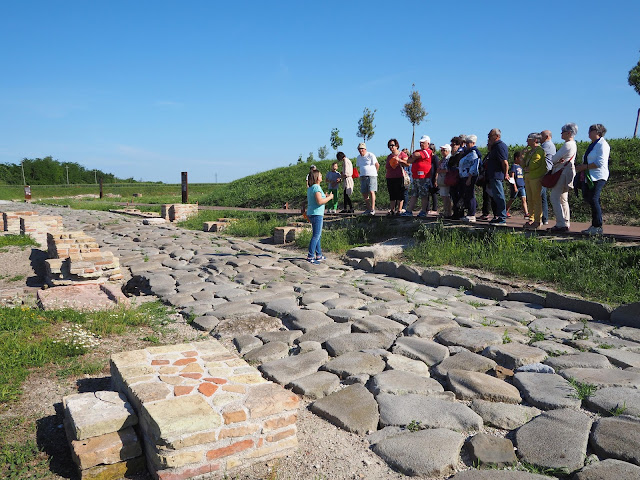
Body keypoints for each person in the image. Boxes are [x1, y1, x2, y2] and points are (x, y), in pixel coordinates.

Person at [576, 124, 610, 235]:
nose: (589, 132)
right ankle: (595, 224)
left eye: (592, 130)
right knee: (590, 199)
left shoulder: (602, 145)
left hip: (598, 176)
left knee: (594, 199)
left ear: (598, 132)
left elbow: (600, 163)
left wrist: (584, 167)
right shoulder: (593, 145)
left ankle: (598, 226)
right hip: (590, 176)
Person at [548, 123, 578, 233]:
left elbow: (553, 159)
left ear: (569, 133)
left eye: (563, 132)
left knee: (554, 197)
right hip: (568, 173)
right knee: (563, 199)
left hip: (561, 173)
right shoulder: (573, 144)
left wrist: (557, 161)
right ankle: (566, 222)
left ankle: (560, 223)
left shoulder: (567, 145)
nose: (561, 134)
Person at [306, 168, 333, 264]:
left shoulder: (310, 188)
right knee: (316, 236)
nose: (322, 176)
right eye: (320, 175)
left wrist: (324, 196)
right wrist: (329, 198)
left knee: (318, 235)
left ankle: (319, 254)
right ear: (317, 178)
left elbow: (317, 199)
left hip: (311, 213)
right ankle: (310, 256)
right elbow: (319, 201)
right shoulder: (317, 187)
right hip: (316, 214)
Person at [402, 135, 433, 217]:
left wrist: (415, 156)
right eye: (420, 142)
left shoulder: (428, 151)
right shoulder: (418, 151)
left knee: (424, 195)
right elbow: (409, 160)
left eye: (423, 142)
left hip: (424, 177)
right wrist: (415, 156)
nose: (421, 144)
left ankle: (423, 211)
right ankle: (409, 211)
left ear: (428, 143)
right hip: (415, 177)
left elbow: (416, 155)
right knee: (414, 194)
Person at [522, 134, 546, 229]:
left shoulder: (539, 150)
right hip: (528, 177)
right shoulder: (530, 152)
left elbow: (534, 164)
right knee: (530, 199)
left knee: (536, 199)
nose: (527, 141)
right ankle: (531, 218)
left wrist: (528, 167)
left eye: (529, 139)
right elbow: (523, 164)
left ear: (535, 140)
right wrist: (522, 155)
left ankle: (537, 220)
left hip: (536, 177)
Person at [486, 128, 509, 224]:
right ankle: (499, 215)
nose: (488, 138)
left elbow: (505, 162)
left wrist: (506, 173)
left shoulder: (500, 146)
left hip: (497, 175)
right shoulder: (494, 147)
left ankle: (502, 217)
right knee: (496, 196)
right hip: (493, 175)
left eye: (490, 136)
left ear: (497, 136)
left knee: (499, 196)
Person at [457, 134, 481, 222]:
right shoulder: (467, 153)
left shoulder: (474, 153)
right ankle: (469, 213)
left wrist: (470, 178)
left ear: (473, 143)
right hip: (464, 176)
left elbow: (474, 166)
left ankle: (472, 214)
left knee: (470, 194)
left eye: (468, 142)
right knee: (467, 194)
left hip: (469, 176)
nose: (466, 144)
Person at [385, 138, 409, 215]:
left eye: (392, 145)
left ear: (396, 145)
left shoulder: (402, 154)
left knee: (400, 194)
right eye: (389, 145)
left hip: (399, 176)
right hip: (390, 177)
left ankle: (399, 210)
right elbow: (387, 166)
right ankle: (392, 210)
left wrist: (399, 160)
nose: (391, 147)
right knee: (392, 194)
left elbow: (408, 163)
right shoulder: (389, 156)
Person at [446, 136, 466, 219]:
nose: (452, 146)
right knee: (453, 195)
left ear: (459, 145)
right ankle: (455, 213)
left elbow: (454, 163)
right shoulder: (453, 155)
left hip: (459, 178)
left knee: (459, 195)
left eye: (454, 145)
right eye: (451, 145)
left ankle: (460, 213)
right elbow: (449, 164)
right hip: (453, 178)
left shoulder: (461, 154)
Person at [356, 143, 379, 215]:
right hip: (363, 176)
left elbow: (377, 165)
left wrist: (375, 172)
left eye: (362, 149)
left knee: (371, 191)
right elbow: (358, 166)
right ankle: (368, 208)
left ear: (365, 149)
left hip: (371, 176)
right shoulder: (358, 157)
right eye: (359, 149)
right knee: (364, 192)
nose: (361, 150)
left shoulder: (370, 155)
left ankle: (373, 208)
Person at [506, 150, 529, 220]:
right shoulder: (514, 166)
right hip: (516, 186)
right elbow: (512, 177)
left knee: (524, 199)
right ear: (516, 158)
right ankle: (505, 211)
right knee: (512, 199)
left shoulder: (521, 166)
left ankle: (526, 213)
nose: (521, 160)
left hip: (521, 185)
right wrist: (514, 186)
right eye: (520, 158)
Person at [540, 130, 556, 225]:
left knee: (538, 195)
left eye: (541, 136)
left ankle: (539, 218)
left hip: (544, 172)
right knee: (543, 197)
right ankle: (544, 218)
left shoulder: (547, 145)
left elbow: (539, 156)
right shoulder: (548, 145)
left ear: (546, 137)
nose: (539, 138)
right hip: (547, 171)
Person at [437, 144, 453, 217]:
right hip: (442, 179)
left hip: (446, 178)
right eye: (441, 150)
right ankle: (446, 211)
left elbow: (448, 169)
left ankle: (448, 212)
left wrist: (440, 170)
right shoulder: (443, 159)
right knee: (443, 196)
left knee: (447, 196)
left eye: (444, 150)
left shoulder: (449, 159)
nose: (442, 152)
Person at [427, 143, 439, 214]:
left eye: (431, 149)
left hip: (433, 177)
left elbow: (437, 169)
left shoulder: (435, 157)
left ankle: (435, 209)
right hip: (427, 177)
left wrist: (436, 179)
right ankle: (427, 208)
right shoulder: (427, 158)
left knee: (433, 193)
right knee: (427, 193)